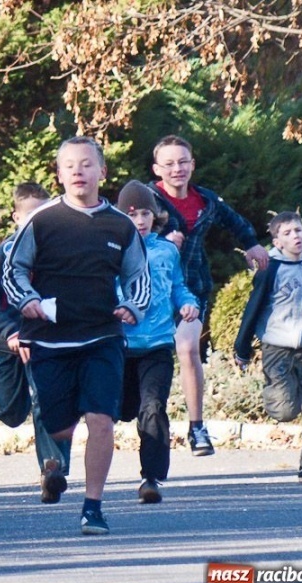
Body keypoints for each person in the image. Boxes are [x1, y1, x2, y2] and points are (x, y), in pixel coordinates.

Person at [3, 136, 150, 535]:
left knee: (101, 420)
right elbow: (12, 271)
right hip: (50, 340)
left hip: (102, 336)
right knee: (60, 427)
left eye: (86, 164)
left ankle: (93, 507)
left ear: (102, 172)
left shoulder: (120, 225)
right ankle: (61, 447)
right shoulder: (43, 220)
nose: (78, 172)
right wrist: (27, 300)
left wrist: (131, 307)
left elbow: (139, 276)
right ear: (59, 174)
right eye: (69, 165)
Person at [148, 135, 270, 457]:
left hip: (192, 287)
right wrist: (161, 242)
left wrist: (253, 244)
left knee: (188, 347)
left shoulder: (206, 200)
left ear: (192, 165)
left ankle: (196, 427)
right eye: (169, 163)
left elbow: (235, 221)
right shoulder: (147, 199)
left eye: (183, 162)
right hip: (152, 293)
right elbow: (122, 234)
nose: (177, 169)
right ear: (157, 168)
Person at [0, 182, 72, 504]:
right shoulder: (3, 254)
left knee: (48, 399)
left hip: (43, 342)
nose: (35, 222)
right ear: (16, 217)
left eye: (43, 215)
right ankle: (9, 405)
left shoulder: (58, 254)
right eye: (29, 215)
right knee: (11, 412)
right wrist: (10, 333)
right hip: (5, 343)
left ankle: (52, 468)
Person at [234, 211, 302, 484]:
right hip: (276, 348)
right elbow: (253, 308)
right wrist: (242, 349)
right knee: (284, 411)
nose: (296, 236)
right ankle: (277, 394)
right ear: (277, 241)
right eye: (288, 233)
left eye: (299, 230)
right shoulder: (270, 270)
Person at [116, 181, 199, 504]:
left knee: (152, 408)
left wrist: (188, 303)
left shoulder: (166, 250)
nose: (140, 220)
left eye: (146, 213)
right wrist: (120, 307)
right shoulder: (115, 249)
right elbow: (106, 286)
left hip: (158, 343)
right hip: (120, 345)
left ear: (156, 216)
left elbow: (178, 285)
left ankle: (151, 478)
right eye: (132, 214)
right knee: (121, 410)